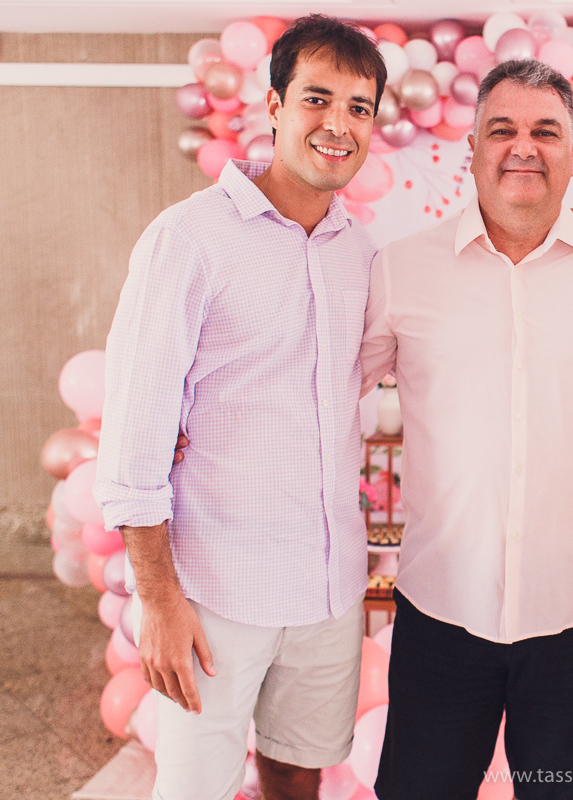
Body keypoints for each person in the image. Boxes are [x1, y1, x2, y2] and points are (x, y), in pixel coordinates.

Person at [93, 16, 385, 800]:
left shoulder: (361, 253)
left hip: (326, 588)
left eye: (359, 107)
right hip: (214, 589)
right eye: (317, 98)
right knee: (195, 787)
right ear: (275, 105)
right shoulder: (189, 239)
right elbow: (135, 434)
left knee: (297, 771)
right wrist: (159, 602)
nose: (338, 123)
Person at [358, 59, 573, 800]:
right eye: (503, 130)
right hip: (439, 611)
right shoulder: (401, 270)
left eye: (545, 131)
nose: (523, 147)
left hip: (572, 619)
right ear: (472, 150)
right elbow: (327, 396)